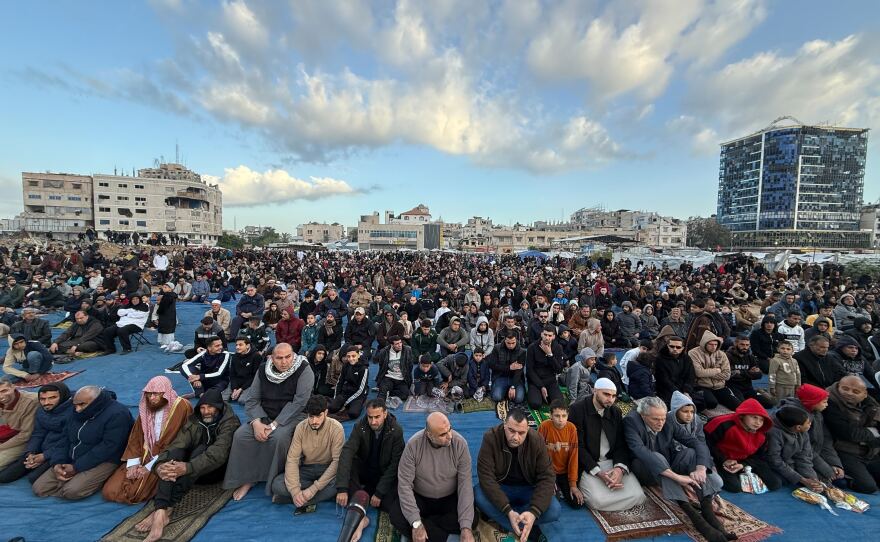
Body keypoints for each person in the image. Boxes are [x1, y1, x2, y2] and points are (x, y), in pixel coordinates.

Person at [134, 388, 240, 542]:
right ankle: (161, 511)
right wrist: (160, 466)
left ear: (219, 407)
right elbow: (177, 444)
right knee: (172, 458)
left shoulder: (230, 422)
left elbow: (218, 455)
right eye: (203, 408)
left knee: (201, 450)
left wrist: (186, 468)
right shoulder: (195, 419)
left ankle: (166, 508)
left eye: (211, 407)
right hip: (193, 466)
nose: (206, 412)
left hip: (216, 471)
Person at [623, 396, 731, 542]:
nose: (661, 423)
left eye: (662, 418)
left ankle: (707, 510)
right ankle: (692, 514)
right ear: (643, 416)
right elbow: (640, 451)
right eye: (656, 419)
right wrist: (677, 478)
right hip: (644, 468)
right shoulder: (631, 421)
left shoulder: (666, 420)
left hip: (667, 464)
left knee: (691, 453)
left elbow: (696, 442)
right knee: (656, 457)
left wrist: (701, 468)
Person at [223, 343, 314, 501]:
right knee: (241, 436)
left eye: (288, 357)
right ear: (272, 358)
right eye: (279, 358)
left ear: (293, 356)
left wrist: (274, 425)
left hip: (292, 415)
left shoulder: (304, 370)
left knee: (278, 438)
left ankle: (273, 481)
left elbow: (299, 403)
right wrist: (257, 423)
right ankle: (248, 479)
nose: (284, 362)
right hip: (264, 414)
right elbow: (253, 398)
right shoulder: (263, 369)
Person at [33, 385, 133, 500]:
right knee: (39, 488)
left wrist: (77, 467)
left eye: (82, 405)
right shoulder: (75, 410)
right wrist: (58, 462)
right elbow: (65, 438)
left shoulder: (117, 414)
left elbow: (108, 447)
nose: (78, 409)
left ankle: (97, 479)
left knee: (71, 491)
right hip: (75, 454)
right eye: (75, 405)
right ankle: (72, 481)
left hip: (105, 458)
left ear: (95, 401)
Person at [102, 376, 193, 504]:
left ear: (165, 393)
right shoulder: (146, 407)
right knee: (109, 491)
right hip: (144, 455)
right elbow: (136, 437)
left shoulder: (181, 407)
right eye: (149, 394)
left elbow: (175, 442)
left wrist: (149, 467)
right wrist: (133, 464)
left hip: (166, 457)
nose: (152, 398)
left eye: (156, 394)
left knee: (133, 494)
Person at [389, 412, 475, 542]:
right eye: (443, 434)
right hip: (421, 499)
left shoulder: (460, 444)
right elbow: (405, 485)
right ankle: (446, 538)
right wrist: (416, 523)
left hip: (449, 499)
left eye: (449, 430)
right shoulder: (413, 445)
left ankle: (425, 529)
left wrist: (466, 529)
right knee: (396, 515)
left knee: (470, 520)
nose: (449, 436)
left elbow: (465, 486)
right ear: (429, 435)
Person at [476, 409, 559, 542]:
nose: (516, 437)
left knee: (554, 510)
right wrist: (508, 510)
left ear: (528, 430)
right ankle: (527, 529)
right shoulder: (491, 438)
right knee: (478, 495)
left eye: (521, 433)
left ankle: (517, 522)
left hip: (528, 489)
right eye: (511, 431)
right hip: (501, 487)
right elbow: (486, 477)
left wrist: (533, 513)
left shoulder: (536, 440)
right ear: (504, 425)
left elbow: (547, 477)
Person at [568, 378, 645, 511]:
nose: (610, 399)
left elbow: (621, 444)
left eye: (614, 396)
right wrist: (599, 473)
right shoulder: (577, 410)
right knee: (597, 501)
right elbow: (577, 447)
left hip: (611, 462)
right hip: (589, 464)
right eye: (606, 394)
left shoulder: (615, 412)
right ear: (595, 391)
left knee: (638, 496)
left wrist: (619, 469)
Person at [335, 398, 405, 542]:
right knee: (351, 462)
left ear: (385, 414)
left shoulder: (396, 431)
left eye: (377, 417)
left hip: (383, 474)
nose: (373, 422)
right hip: (366, 471)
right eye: (370, 417)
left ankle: (360, 501)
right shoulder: (360, 426)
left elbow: (395, 465)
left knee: (392, 504)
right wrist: (342, 488)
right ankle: (361, 515)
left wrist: (379, 492)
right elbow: (347, 452)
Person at [270, 395, 345, 509]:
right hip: (306, 469)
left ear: (326, 413)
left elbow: (336, 462)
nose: (314, 421)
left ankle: (295, 500)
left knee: (339, 483)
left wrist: (313, 489)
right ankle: (309, 497)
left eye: (318, 416)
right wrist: (295, 491)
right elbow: (292, 459)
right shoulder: (301, 427)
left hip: (327, 468)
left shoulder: (336, 428)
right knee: (277, 484)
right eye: (311, 416)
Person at [704, 398, 781, 493]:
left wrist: (743, 465)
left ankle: (741, 471)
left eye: (761, 420)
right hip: (720, 458)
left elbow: (759, 456)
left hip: (745, 460)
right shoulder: (722, 424)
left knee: (775, 484)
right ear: (743, 416)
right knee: (735, 488)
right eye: (754, 417)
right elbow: (706, 443)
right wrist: (724, 460)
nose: (758, 423)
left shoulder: (762, 434)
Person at [0, 382, 71, 484]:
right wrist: (31, 452)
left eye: (52, 398)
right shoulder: (41, 411)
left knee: (33, 479)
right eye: (43, 399)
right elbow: (38, 433)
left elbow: (69, 441)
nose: (46, 402)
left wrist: (44, 456)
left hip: (58, 451)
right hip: (41, 447)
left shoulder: (72, 413)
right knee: (4, 477)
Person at [778, 384, 845, 484]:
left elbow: (825, 440)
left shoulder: (817, 414)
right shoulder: (797, 420)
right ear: (813, 402)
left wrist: (834, 463)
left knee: (839, 480)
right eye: (824, 402)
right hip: (797, 461)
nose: (827, 405)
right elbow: (802, 453)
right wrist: (823, 470)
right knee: (829, 483)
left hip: (813, 456)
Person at [823, 375, 880, 493]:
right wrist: (873, 432)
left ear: (864, 394)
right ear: (838, 386)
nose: (849, 393)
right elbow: (847, 433)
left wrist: (870, 435)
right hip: (845, 452)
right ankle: (845, 479)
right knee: (868, 487)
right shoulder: (829, 402)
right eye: (845, 389)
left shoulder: (872, 404)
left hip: (870, 451)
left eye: (855, 391)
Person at [764, 406, 823, 492]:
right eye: (808, 423)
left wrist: (812, 479)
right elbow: (775, 460)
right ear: (798, 427)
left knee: (817, 480)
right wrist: (802, 480)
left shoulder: (803, 432)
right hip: (771, 463)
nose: (810, 424)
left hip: (790, 463)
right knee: (780, 482)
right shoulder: (774, 433)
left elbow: (804, 457)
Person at [537, 400, 582, 508]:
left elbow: (573, 457)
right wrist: (545, 478)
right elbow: (537, 454)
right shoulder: (544, 427)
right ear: (550, 416)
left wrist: (573, 484)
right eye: (557, 416)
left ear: (568, 415)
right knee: (551, 501)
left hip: (564, 472)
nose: (561, 420)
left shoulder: (571, 429)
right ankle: (553, 487)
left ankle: (560, 487)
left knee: (577, 503)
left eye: (564, 416)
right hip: (548, 471)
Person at [689, 330, 739, 411]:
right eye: (711, 344)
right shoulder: (693, 353)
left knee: (737, 405)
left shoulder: (721, 354)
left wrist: (706, 372)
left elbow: (727, 375)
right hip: (702, 385)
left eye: (716, 344)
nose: (714, 347)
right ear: (704, 343)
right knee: (711, 403)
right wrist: (718, 370)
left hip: (720, 386)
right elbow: (698, 373)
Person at [0, 376, 38, 471]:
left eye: (4, 391)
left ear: (13, 387)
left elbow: (25, 435)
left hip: (23, 440)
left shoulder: (31, 402)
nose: (1, 396)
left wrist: (1, 447)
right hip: (6, 433)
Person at [525, 324, 565, 410]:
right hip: (535, 380)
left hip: (550, 380)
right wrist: (541, 386)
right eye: (545, 335)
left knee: (559, 404)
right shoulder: (532, 347)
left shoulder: (558, 348)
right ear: (541, 334)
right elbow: (529, 370)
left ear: (553, 337)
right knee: (535, 404)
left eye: (550, 335)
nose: (547, 338)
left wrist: (550, 355)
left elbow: (559, 370)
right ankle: (538, 394)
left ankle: (545, 396)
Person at [328, 345, 369, 421]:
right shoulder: (346, 365)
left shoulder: (364, 369)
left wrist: (345, 403)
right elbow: (340, 382)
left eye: (353, 356)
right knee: (332, 408)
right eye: (348, 356)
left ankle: (359, 403)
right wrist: (336, 398)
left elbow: (361, 389)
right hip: (346, 391)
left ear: (358, 355)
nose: (351, 359)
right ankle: (346, 404)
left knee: (353, 413)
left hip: (358, 394)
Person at [654, 335, 695, 407]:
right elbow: (664, 380)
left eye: (678, 347)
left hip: (683, 388)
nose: (675, 349)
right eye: (672, 346)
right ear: (667, 346)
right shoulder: (660, 359)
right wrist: (679, 393)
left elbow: (690, 376)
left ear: (682, 348)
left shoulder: (686, 358)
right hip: (667, 389)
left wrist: (686, 391)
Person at [489, 331, 527, 404]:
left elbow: (519, 371)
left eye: (513, 343)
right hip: (500, 377)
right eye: (508, 343)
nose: (511, 345)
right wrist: (509, 368)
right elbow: (492, 365)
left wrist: (513, 386)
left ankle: (508, 390)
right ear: (505, 340)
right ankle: (504, 390)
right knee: (496, 397)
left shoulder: (522, 351)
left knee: (519, 399)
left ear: (516, 340)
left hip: (516, 379)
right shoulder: (497, 348)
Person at [375, 335, 415, 403]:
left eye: (400, 342)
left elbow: (410, 366)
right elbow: (381, 366)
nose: (400, 345)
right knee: (381, 396)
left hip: (401, 378)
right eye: (397, 344)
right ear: (392, 345)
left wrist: (407, 377)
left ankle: (388, 391)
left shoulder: (407, 350)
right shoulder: (384, 352)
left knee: (405, 395)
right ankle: (384, 392)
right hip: (389, 377)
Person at [226, 336, 263, 403]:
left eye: (240, 345)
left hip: (250, 383)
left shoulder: (256, 356)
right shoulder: (235, 356)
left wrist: (241, 389)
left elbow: (255, 377)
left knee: (242, 401)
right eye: (236, 345)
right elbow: (232, 374)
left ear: (247, 345)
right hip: (237, 382)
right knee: (224, 398)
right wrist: (234, 388)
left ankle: (240, 394)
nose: (237, 347)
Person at [155, 282, 178, 349]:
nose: (164, 289)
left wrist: (158, 311)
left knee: (166, 328)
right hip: (169, 314)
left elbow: (163, 306)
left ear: (170, 289)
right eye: (163, 287)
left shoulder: (168, 296)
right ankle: (165, 342)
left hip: (166, 314)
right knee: (166, 327)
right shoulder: (169, 295)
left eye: (166, 287)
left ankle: (166, 342)